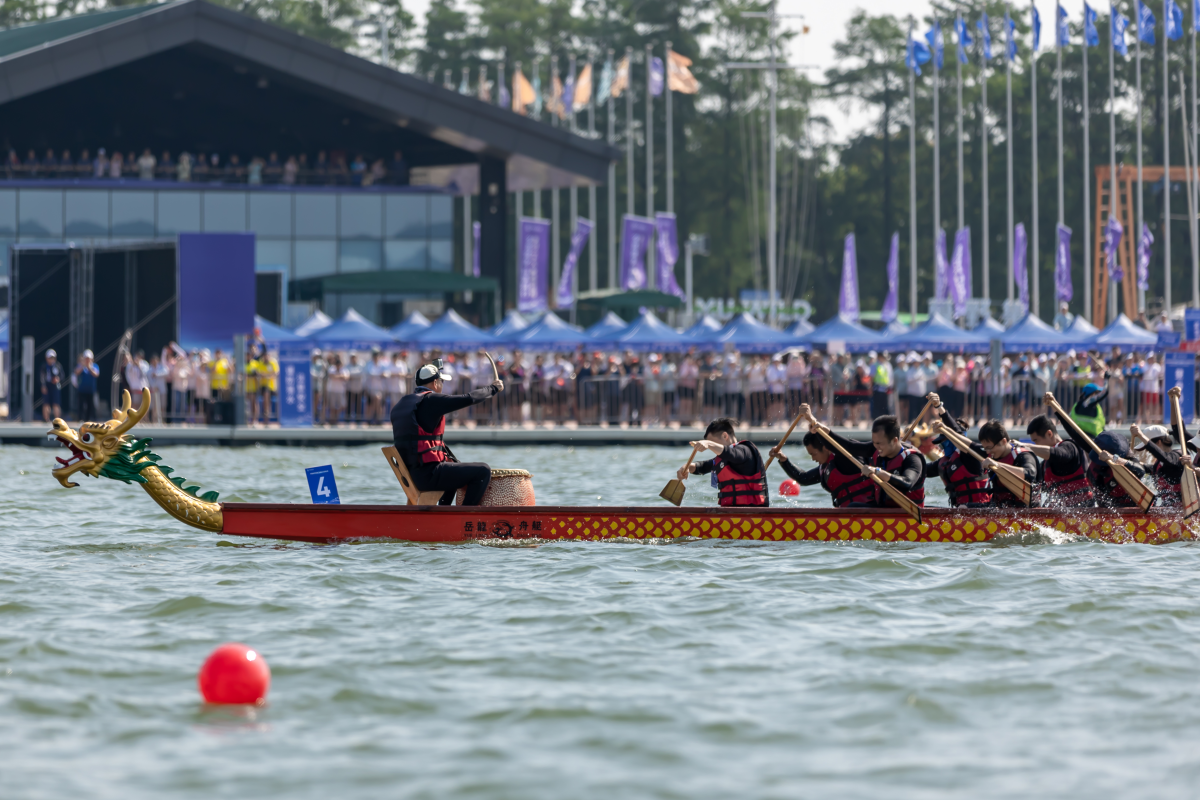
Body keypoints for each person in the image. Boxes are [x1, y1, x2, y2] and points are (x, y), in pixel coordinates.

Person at [392, 358, 503, 505]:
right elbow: (468, 398)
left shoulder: (402, 403)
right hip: (428, 476)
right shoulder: (432, 400)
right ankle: (464, 519)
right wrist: (493, 388)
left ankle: (443, 515)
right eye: (442, 381)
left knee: (452, 466)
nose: (442, 385)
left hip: (413, 474)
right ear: (435, 382)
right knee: (483, 470)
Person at [804, 407, 925, 508]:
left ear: (894, 441)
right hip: (883, 508)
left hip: (905, 513)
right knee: (852, 506)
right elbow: (848, 446)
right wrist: (818, 428)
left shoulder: (912, 459)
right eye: (874, 442)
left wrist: (877, 471)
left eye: (879, 443)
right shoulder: (877, 448)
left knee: (853, 508)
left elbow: (907, 483)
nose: (876, 447)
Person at [770, 429, 875, 507]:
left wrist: (818, 426)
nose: (812, 459)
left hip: (869, 511)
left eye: (813, 454)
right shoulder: (825, 467)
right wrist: (783, 460)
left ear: (825, 447)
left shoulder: (846, 456)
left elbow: (848, 445)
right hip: (848, 513)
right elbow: (803, 478)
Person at [677, 418, 768, 507]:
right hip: (730, 513)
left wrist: (709, 444)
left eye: (713, 443)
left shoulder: (745, 451)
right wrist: (687, 467)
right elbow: (703, 466)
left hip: (754, 514)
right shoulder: (721, 460)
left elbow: (732, 454)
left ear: (725, 436)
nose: (712, 449)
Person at [925, 396, 991, 508]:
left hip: (982, 510)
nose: (943, 447)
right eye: (941, 445)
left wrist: (939, 407)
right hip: (961, 512)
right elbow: (920, 469)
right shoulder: (945, 462)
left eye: (945, 443)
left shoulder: (972, 456)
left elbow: (957, 433)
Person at [1026, 402, 1095, 508]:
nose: (1036, 445)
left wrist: (1027, 447)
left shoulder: (1070, 447)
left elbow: (1059, 454)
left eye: (1036, 441)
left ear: (1049, 434)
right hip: (1061, 516)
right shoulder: (1045, 464)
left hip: (1084, 511)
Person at [975, 419, 1039, 508]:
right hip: (1002, 512)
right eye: (985, 448)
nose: (987, 452)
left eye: (989, 448)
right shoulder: (994, 456)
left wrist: (998, 465)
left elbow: (1030, 473)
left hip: (1027, 513)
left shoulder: (1022, 455)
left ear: (1003, 441)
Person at [1131, 419, 1193, 508]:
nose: (1148, 451)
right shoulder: (1158, 464)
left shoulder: (1178, 456)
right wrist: (1127, 462)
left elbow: (1166, 458)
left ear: (1158, 442)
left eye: (1148, 448)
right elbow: (1148, 468)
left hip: (1182, 512)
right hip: (1166, 510)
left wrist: (1140, 435)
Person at [1085, 432, 1146, 509]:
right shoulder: (1094, 469)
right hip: (1110, 509)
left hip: (1134, 507)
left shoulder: (1127, 456)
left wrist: (1114, 458)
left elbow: (1141, 471)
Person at [73, 349, 99, 421]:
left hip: (91, 390)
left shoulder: (95, 366)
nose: (87, 360)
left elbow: (96, 374)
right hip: (81, 390)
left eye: (89, 359)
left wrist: (89, 367)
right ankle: (80, 419)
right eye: (86, 358)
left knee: (90, 406)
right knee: (81, 405)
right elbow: (76, 372)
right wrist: (83, 365)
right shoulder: (80, 366)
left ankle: (89, 419)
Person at [40, 349, 64, 422]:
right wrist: (43, 385)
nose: (51, 359)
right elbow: (41, 376)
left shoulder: (58, 365)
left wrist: (58, 379)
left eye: (53, 358)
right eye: (50, 358)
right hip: (47, 385)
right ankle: (46, 419)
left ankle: (58, 420)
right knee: (46, 403)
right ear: (46, 358)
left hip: (55, 386)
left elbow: (62, 375)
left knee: (56, 403)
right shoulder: (44, 366)